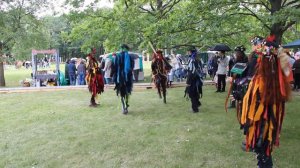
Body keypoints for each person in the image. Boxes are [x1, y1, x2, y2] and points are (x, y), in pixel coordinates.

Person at [240, 35, 291, 167]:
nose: (258, 61)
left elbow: (256, 103)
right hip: (264, 125)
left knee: (263, 150)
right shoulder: (273, 81)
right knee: (263, 150)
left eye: (260, 58)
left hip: (263, 124)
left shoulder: (265, 82)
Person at [113, 44, 134, 114]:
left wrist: (115, 78)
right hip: (127, 77)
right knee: (127, 92)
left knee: (122, 93)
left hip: (120, 77)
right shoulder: (129, 56)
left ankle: (124, 107)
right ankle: (126, 106)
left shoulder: (117, 56)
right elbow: (132, 67)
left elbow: (115, 68)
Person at [185, 47, 203, 113]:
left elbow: (191, 71)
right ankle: (197, 104)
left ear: (191, 52)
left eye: (188, 51)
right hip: (197, 79)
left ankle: (195, 109)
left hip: (193, 80)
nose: (187, 53)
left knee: (192, 94)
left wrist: (188, 82)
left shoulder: (192, 60)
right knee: (195, 93)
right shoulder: (197, 59)